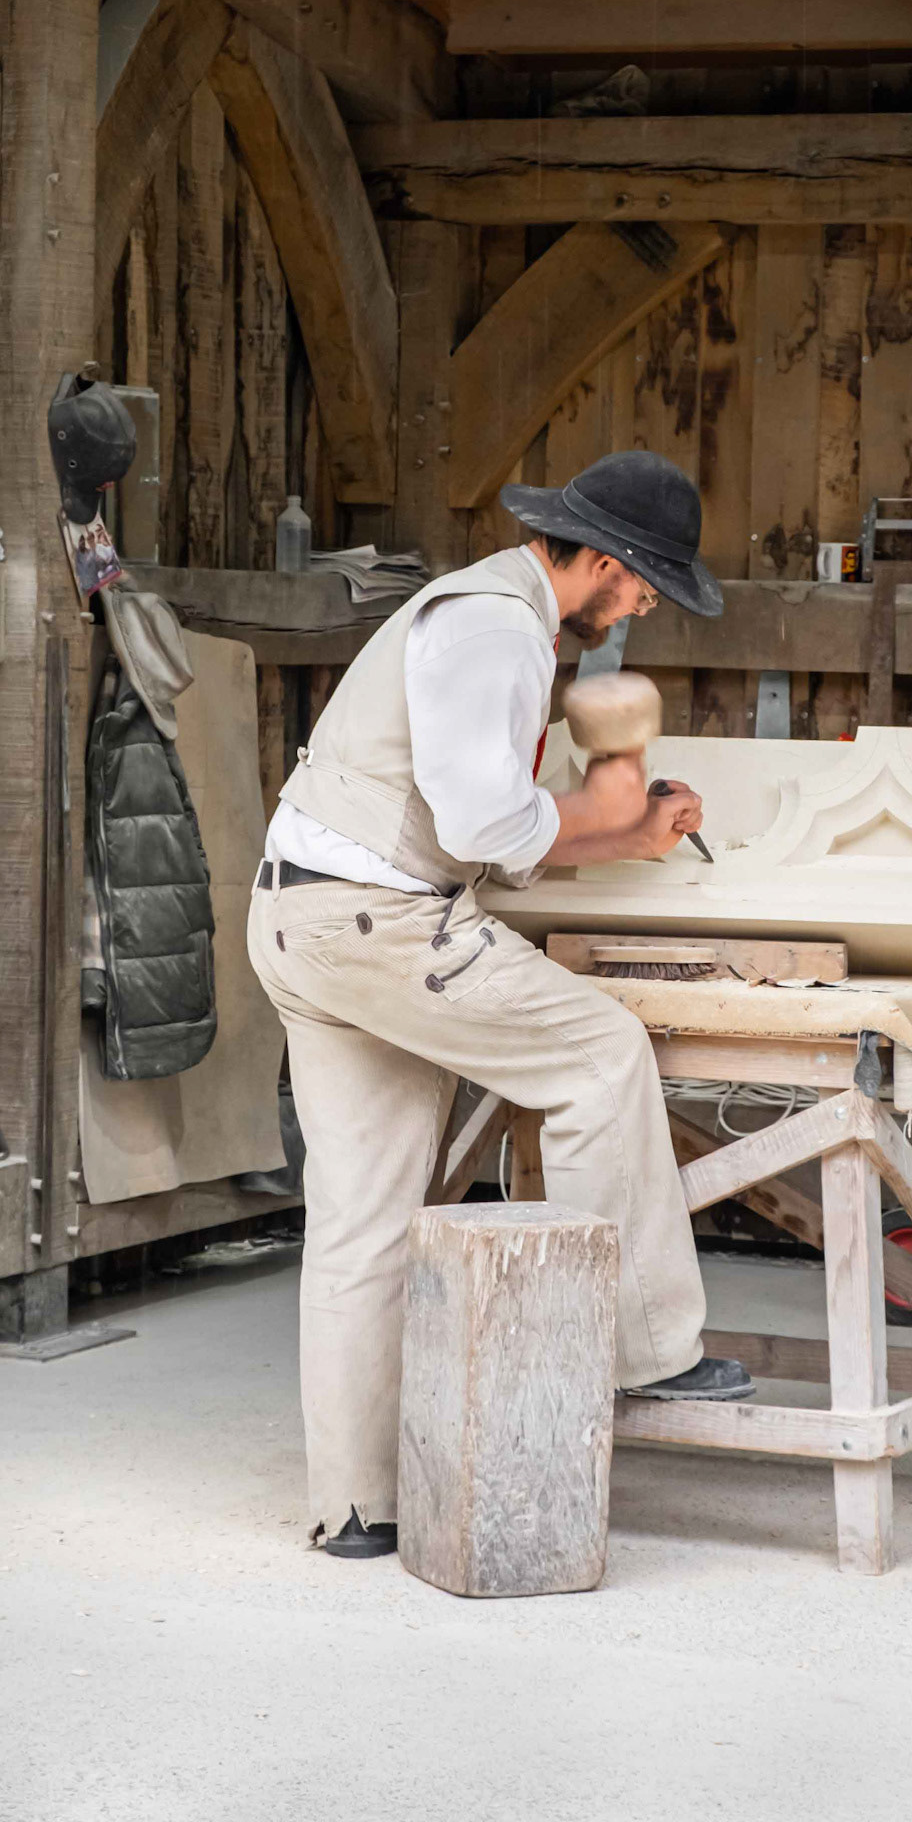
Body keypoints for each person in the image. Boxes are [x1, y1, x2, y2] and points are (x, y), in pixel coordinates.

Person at [247, 450, 753, 1562]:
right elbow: (483, 825)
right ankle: (640, 1351)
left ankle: (357, 1506)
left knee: (363, 1217)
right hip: (378, 920)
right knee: (600, 1052)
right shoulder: (495, 627)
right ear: (605, 560)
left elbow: (488, 827)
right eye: (646, 584)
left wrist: (618, 828)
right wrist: (599, 808)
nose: (645, 606)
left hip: (307, 916)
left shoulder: (483, 613)